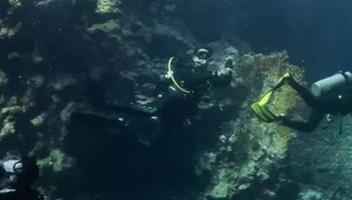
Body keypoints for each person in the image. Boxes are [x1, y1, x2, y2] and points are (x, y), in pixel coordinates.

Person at [71, 47, 233, 146]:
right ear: (194, 56)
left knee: (159, 142)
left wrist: (228, 70)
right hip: (166, 102)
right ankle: (98, 107)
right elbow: (190, 81)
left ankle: (122, 125)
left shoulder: (207, 79)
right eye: (200, 54)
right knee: (141, 110)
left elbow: (223, 83)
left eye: (206, 56)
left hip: (177, 114)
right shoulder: (186, 69)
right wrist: (213, 75)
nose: (202, 59)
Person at [250, 70, 352, 132]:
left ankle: (281, 120)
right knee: (312, 102)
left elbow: (339, 108)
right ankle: (289, 79)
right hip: (331, 100)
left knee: (309, 127)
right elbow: (341, 102)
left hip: (328, 105)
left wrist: (331, 114)